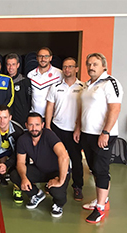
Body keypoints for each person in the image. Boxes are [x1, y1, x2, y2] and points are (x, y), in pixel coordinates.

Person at [74, 53, 123, 223]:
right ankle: (103, 200)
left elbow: (115, 109)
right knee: (94, 168)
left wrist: (106, 132)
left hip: (102, 135)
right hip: (88, 134)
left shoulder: (110, 83)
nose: (91, 67)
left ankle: (100, 208)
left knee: (101, 170)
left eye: (95, 63)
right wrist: (79, 127)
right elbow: (84, 109)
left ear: (103, 66)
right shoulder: (88, 85)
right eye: (88, 64)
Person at [9, 113, 70, 218]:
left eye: (37, 125)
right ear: (26, 125)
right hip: (41, 169)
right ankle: (36, 194)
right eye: (31, 125)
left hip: (58, 171)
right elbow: (20, 162)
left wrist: (60, 180)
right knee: (15, 175)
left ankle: (58, 205)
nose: (34, 128)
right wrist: (24, 178)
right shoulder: (23, 140)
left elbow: (64, 157)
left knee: (56, 190)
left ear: (42, 125)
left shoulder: (49, 135)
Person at [45, 57, 85, 201]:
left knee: (75, 158)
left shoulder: (83, 87)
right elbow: (50, 107)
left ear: (76, 69)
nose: (67, 69)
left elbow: (83, 110)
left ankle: (77, 186)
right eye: (65, 67)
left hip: (73, 130)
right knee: (54, 157)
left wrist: (78, 128)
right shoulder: (55, 87)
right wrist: (48, 127)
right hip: (56, 128)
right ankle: (53, 182)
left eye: (70, 66)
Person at [27, 47, 62, 117]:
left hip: (53, 116)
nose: (43, 59)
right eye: (40, 56)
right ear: (37, 58)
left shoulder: (59, 74)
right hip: (35, 116)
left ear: (50, 58)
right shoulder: (30, 74)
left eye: (46, 56)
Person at [5, 53, 32, 128]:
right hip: (6, 118)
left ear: (18, 65)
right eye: (8, 64)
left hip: (21, 118)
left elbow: (29, 100)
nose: (11, 67)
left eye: (13, 64)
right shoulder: (2, 81)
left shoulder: (25, 81)